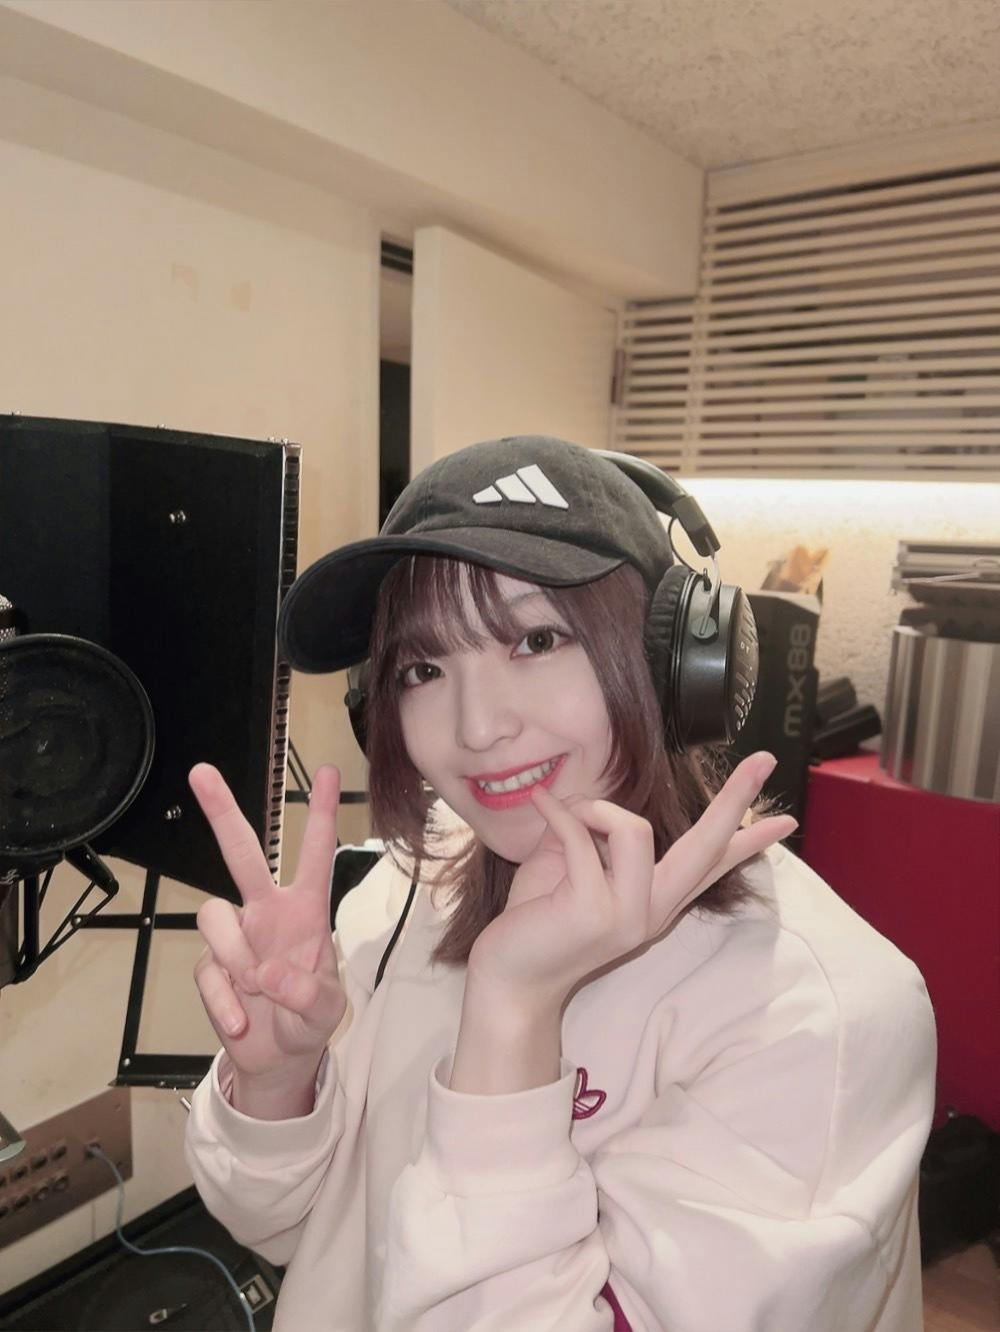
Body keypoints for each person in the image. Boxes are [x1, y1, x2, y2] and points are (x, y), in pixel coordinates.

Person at [183, 435, 937, 1332]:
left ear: (677, 659)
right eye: (423, 669)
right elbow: (291, 1229)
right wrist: (279, 1083)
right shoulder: (409, 889)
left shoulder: (818, 1014)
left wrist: (512, 1014)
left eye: (537, 640)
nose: (477, 728)